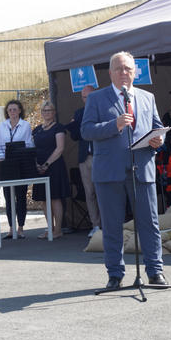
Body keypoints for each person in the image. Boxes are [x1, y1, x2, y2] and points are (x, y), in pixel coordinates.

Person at [81, 51, 167, 290]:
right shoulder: (96, 98)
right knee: (112, 225)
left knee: (149, 223)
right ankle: (115, 274)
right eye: (118, 69)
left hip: (142, 168)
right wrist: (115, 124)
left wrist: (159, 140)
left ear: (135, 72)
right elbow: (86, 131)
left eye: (128, 69)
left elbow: (157, 127)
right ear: (110, 73)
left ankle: (155, 271)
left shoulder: (147, 97)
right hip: (109, 172)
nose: (124, 73)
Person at [0, 99, 35, 239]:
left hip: (21, 165)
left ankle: (21, 228)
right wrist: (1, 157)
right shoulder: (2, 126)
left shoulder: (25, 125)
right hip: (6, 165)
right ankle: (11, 228)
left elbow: (27, 144)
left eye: (15, 109)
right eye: (10, 110)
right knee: (8, 197)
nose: (12, 112)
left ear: (20, 111)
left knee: (21, 196)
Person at [66, 85, 102, 238]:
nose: (86, 100)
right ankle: (96, 225)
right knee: (89, 193)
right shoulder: (79, 113)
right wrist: (72, 126)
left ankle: (109, 224)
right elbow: (75, 137)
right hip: (84, 157)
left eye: (89, 96)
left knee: (103, 191)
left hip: (100, 157)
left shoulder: (103, 110)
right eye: (83, 97)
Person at [32, 100, 70, 239]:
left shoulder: (58, 128)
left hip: (55, 167)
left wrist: (47, 164)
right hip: (39, 168)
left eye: (49, 110)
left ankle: (58, 230)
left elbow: (60, 148)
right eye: (44, 110)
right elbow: (33, 149)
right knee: (43, 199)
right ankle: (50, 229)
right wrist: (37, 164)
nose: (47, 113)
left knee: (55, 198)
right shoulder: (36, 130)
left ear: (54, 112)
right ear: (41, 113)